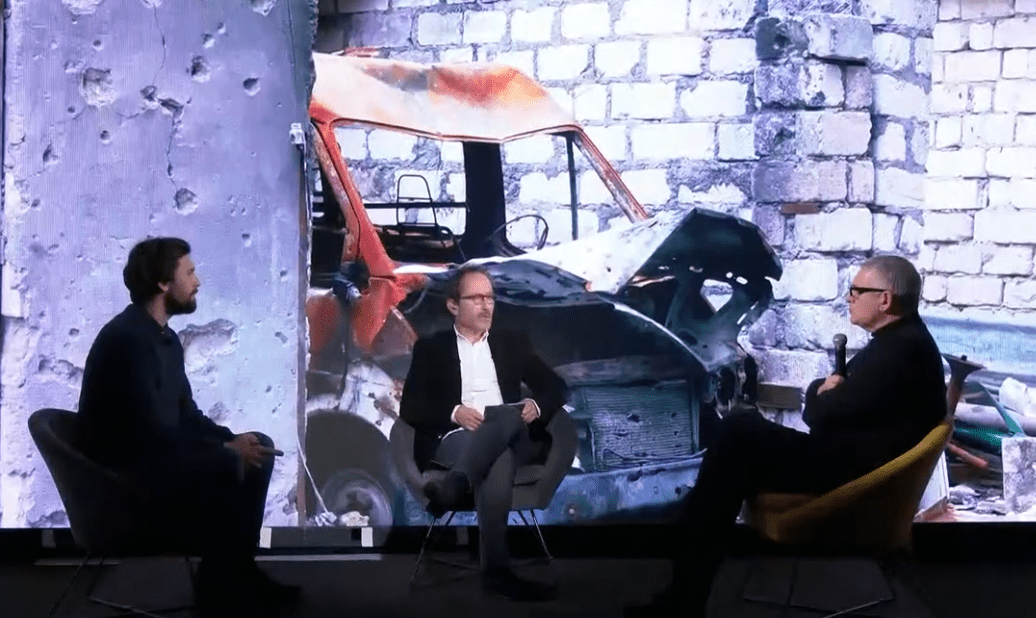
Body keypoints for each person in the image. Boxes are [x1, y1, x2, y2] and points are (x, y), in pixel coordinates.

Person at [626, 255, 947, 618]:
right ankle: (693, 552)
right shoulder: (903, 343)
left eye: (858, 290)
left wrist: (821, 394)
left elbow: (819, 416)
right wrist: (826, 392)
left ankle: (687, 585)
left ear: (885, 299)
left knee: (736, 434)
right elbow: (831, 403)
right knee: (735, 439)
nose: (850, 297)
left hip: (849, 475)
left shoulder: (898, 352)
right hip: (851, 463)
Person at [74, 237, 301, 618]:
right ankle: (221, 587)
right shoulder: (128, 342)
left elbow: (186, 417)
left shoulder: (164, 339)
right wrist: (225, 452)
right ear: (163, 283)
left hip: (155, 462)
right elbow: (150, 436)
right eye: (190, 273)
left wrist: (232, 439)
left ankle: (234, 575)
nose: (198, 282)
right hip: (126, 487)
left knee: (257, 447)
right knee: (227, 463)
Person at [399, 265, 569, 601]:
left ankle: (454, 486)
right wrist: (455, 412)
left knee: (504, 418)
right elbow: (411, 407)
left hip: (515, 435)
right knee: (498, 454)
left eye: (489, 298)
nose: (486, 306)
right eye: (476, 298)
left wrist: (535, 405)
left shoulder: (512, 343)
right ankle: (497, 573)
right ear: (453, 305)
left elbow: (557, 387)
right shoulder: (432, 348)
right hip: (459, 439)